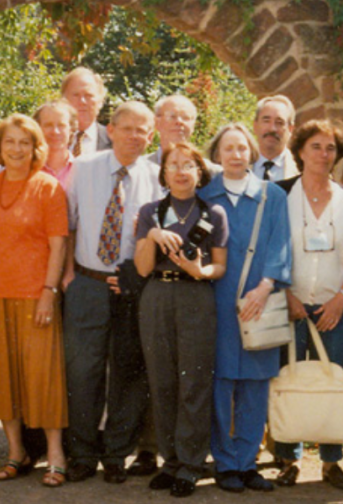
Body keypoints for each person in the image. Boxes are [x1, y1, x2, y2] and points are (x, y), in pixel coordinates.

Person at [62, 101, 162, 484]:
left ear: (150, 136)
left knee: (128, 371)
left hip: (131, 287)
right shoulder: (83, 168)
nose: (135, 136)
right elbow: (68, 224)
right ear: (111, 130)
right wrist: (69, 274)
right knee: (82, 371)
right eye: (128, 128)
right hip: (87, 282)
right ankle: (83, 453)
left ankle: (117, 453)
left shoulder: (156, 177)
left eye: (143, 131)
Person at [0, 114, 70, 487]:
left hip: (35, 295)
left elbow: (59, 245)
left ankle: (55, 455)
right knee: (2, 377)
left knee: (43, 377)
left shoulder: (48, 187)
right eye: (9, 141)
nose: (16, 149)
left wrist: (48, 292)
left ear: (35, 147)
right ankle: (16, 452)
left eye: (24, 142)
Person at [274, 119, 343, 490]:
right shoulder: (282, 195)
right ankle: (289, 459)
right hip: (290, 306)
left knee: (333, 382)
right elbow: (269, 248)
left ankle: (332, 463)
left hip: (332, 310)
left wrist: (341, 299)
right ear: (300, 151)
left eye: (330, 148)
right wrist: (286, 294)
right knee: (289, 380)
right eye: (315, 146)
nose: (323, 154)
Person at [198, 124, 292, 494]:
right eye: (228, 148)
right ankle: (225, 463)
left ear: (251, 152)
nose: (235, 155)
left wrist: (266, 286)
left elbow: (281, 243)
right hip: (216, 302)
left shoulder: (272, 196)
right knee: (220, 384)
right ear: (217, 154)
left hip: (260, 301)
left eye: (241, 148)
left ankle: (248, 462)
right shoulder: (205, 195)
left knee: (255, 385)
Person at [134, 143, 228, 497]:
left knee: (194, 382)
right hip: (157, 295)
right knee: (162, 381)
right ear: (164, 172)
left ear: (199, 172)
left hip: (196, 296)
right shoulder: (150, 212)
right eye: (173, 164)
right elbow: (142, 267)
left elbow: (220, 266)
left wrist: (200, 270)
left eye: (188, 164)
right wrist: (152, 235)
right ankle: (170, 461)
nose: (180, 171)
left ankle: (191, 464)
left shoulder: (213, 213)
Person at [147, 94, 220, 178]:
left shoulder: (213, 173)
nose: (179, 122)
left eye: (186, 117)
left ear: (193, 125)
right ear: (157, 122)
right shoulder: (140, 169)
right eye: (172, 116)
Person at [62, 67, 111, 157]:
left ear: (100, 101)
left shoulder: (115, 142)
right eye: (76, 95)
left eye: (88, 95)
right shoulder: (48, 140)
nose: (82, 101)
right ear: (64, 100)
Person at [251, 95, 298, 182]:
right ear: (255, 126)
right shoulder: (239, 165)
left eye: (279, 123)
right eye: (266, 121)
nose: (272, 128)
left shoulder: (302, 170)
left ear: (290, 129)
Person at [33, 100, 76, 189]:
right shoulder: (27, 171)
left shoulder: (83, 171)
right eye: (48, 125)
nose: (55, 131)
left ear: (71, 129)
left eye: (61, 125)